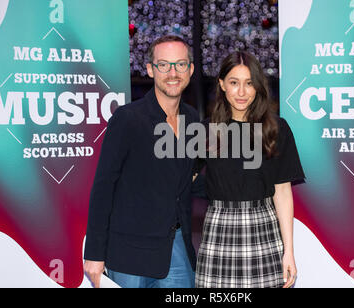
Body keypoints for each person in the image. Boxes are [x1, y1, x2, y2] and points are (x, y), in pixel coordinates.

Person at [83, 35, 204, 288]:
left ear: (190, 70)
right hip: (128, 252)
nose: (173, 72)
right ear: (150, 69)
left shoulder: (193, 120)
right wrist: (94, 254)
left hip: (175, 249)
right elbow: (104, 188)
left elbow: (187, 180)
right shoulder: (127, 119)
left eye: (180, 64)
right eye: (164, 65)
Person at [194, 51, 305, 288]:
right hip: (219, 228)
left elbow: (283, 192)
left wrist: (289, 252)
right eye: (234, 83)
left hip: (264, 228)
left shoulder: (276, 129)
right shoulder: (206, 132)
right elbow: (181, 177)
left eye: (249, 83)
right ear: (222, 85)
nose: (242, 92)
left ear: (258, 87)